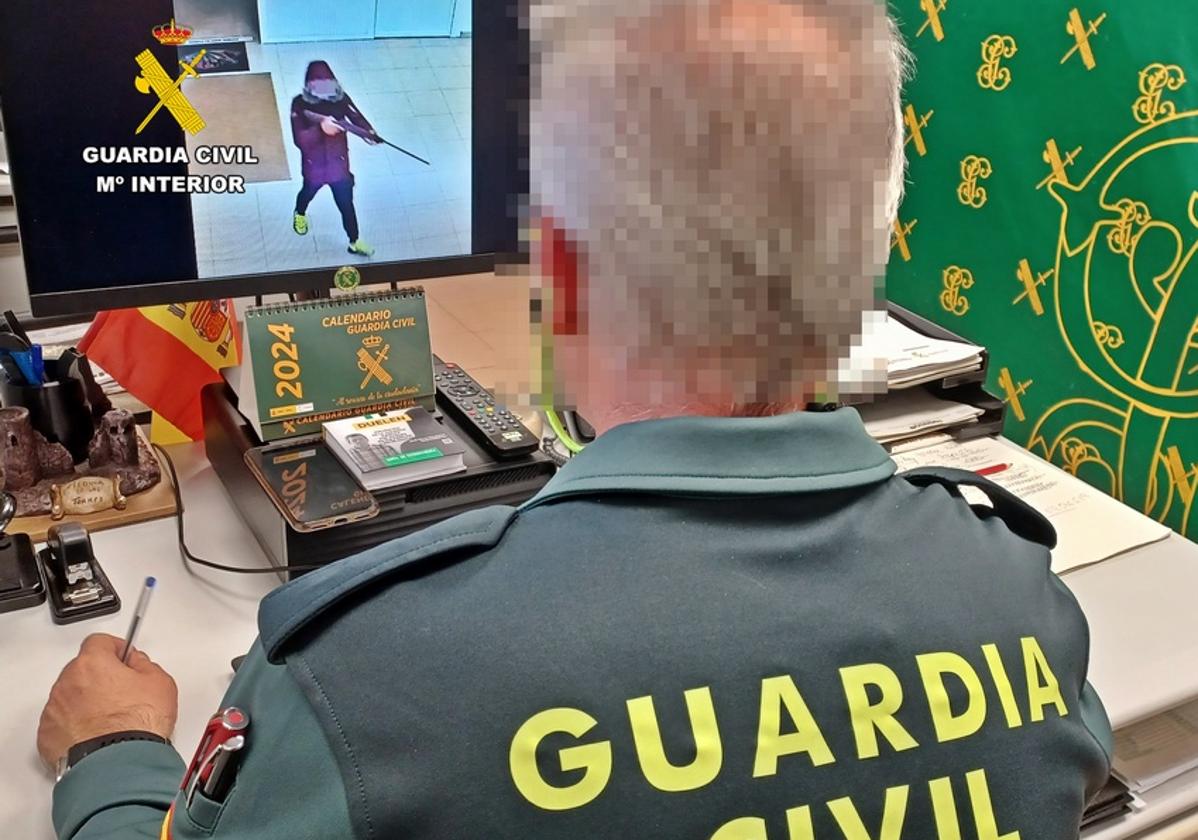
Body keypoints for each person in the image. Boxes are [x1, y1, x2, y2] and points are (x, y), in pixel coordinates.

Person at [40, 1, 1113, 838]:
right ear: (870, 249)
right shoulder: (1025, 602)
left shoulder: (360, 677)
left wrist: (113, 760)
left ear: (560, 266)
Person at [290, 60, 377, 257]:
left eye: (327, 85)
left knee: (347, 205)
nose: (324, 90)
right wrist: (320, 128)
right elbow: (299, 139)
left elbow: (356, 117)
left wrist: (369, 132)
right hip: (314, 168)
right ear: (309, 85)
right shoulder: (299, 104)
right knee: (307, 194)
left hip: (339, 167)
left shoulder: (341, 99)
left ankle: (354, 241)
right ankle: (300, 213)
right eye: (317, 85)